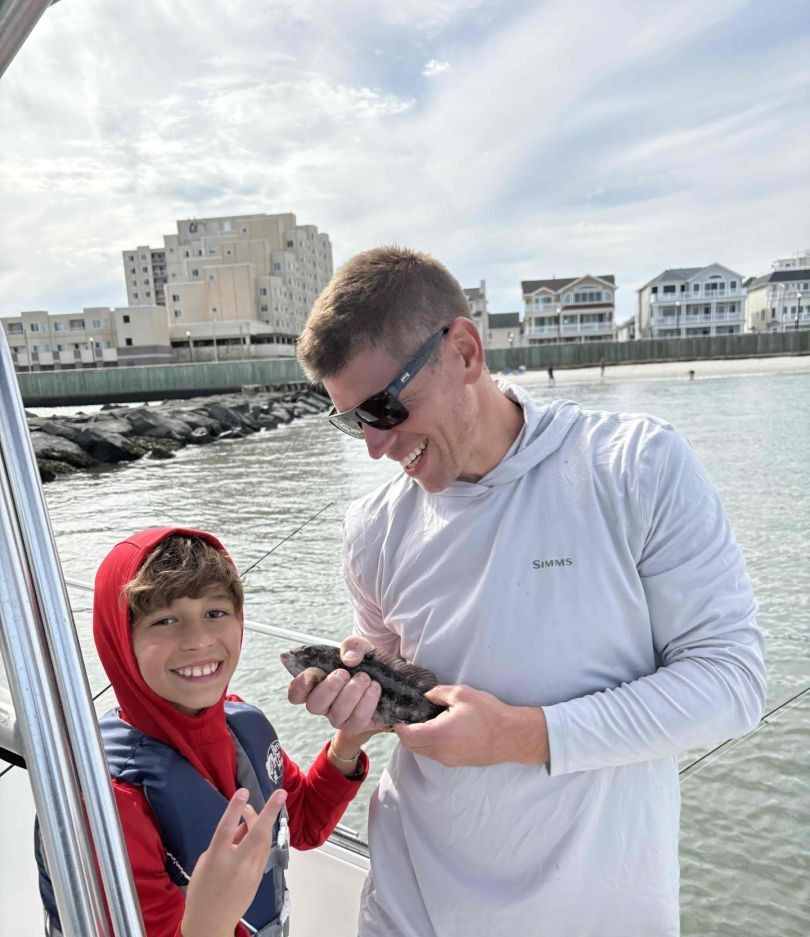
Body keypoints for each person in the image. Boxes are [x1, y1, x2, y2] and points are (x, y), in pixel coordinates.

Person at [288, 246, 767, 937]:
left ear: (465, 351)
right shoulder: (372, 530)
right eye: (352, 418)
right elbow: (399, 705)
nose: (374, 445)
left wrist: (520, 734)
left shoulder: (635, 466)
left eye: (386, 406)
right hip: (410, 905)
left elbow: (732, 681)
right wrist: (357, 708)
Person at [36, 527, 373, 937]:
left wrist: (350, 742)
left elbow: (300, 825)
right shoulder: (107, 802)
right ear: (119, 642)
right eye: (165, 620)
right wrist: (207, 923)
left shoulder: (242, 727)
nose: (198, 640)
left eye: (215, 613)